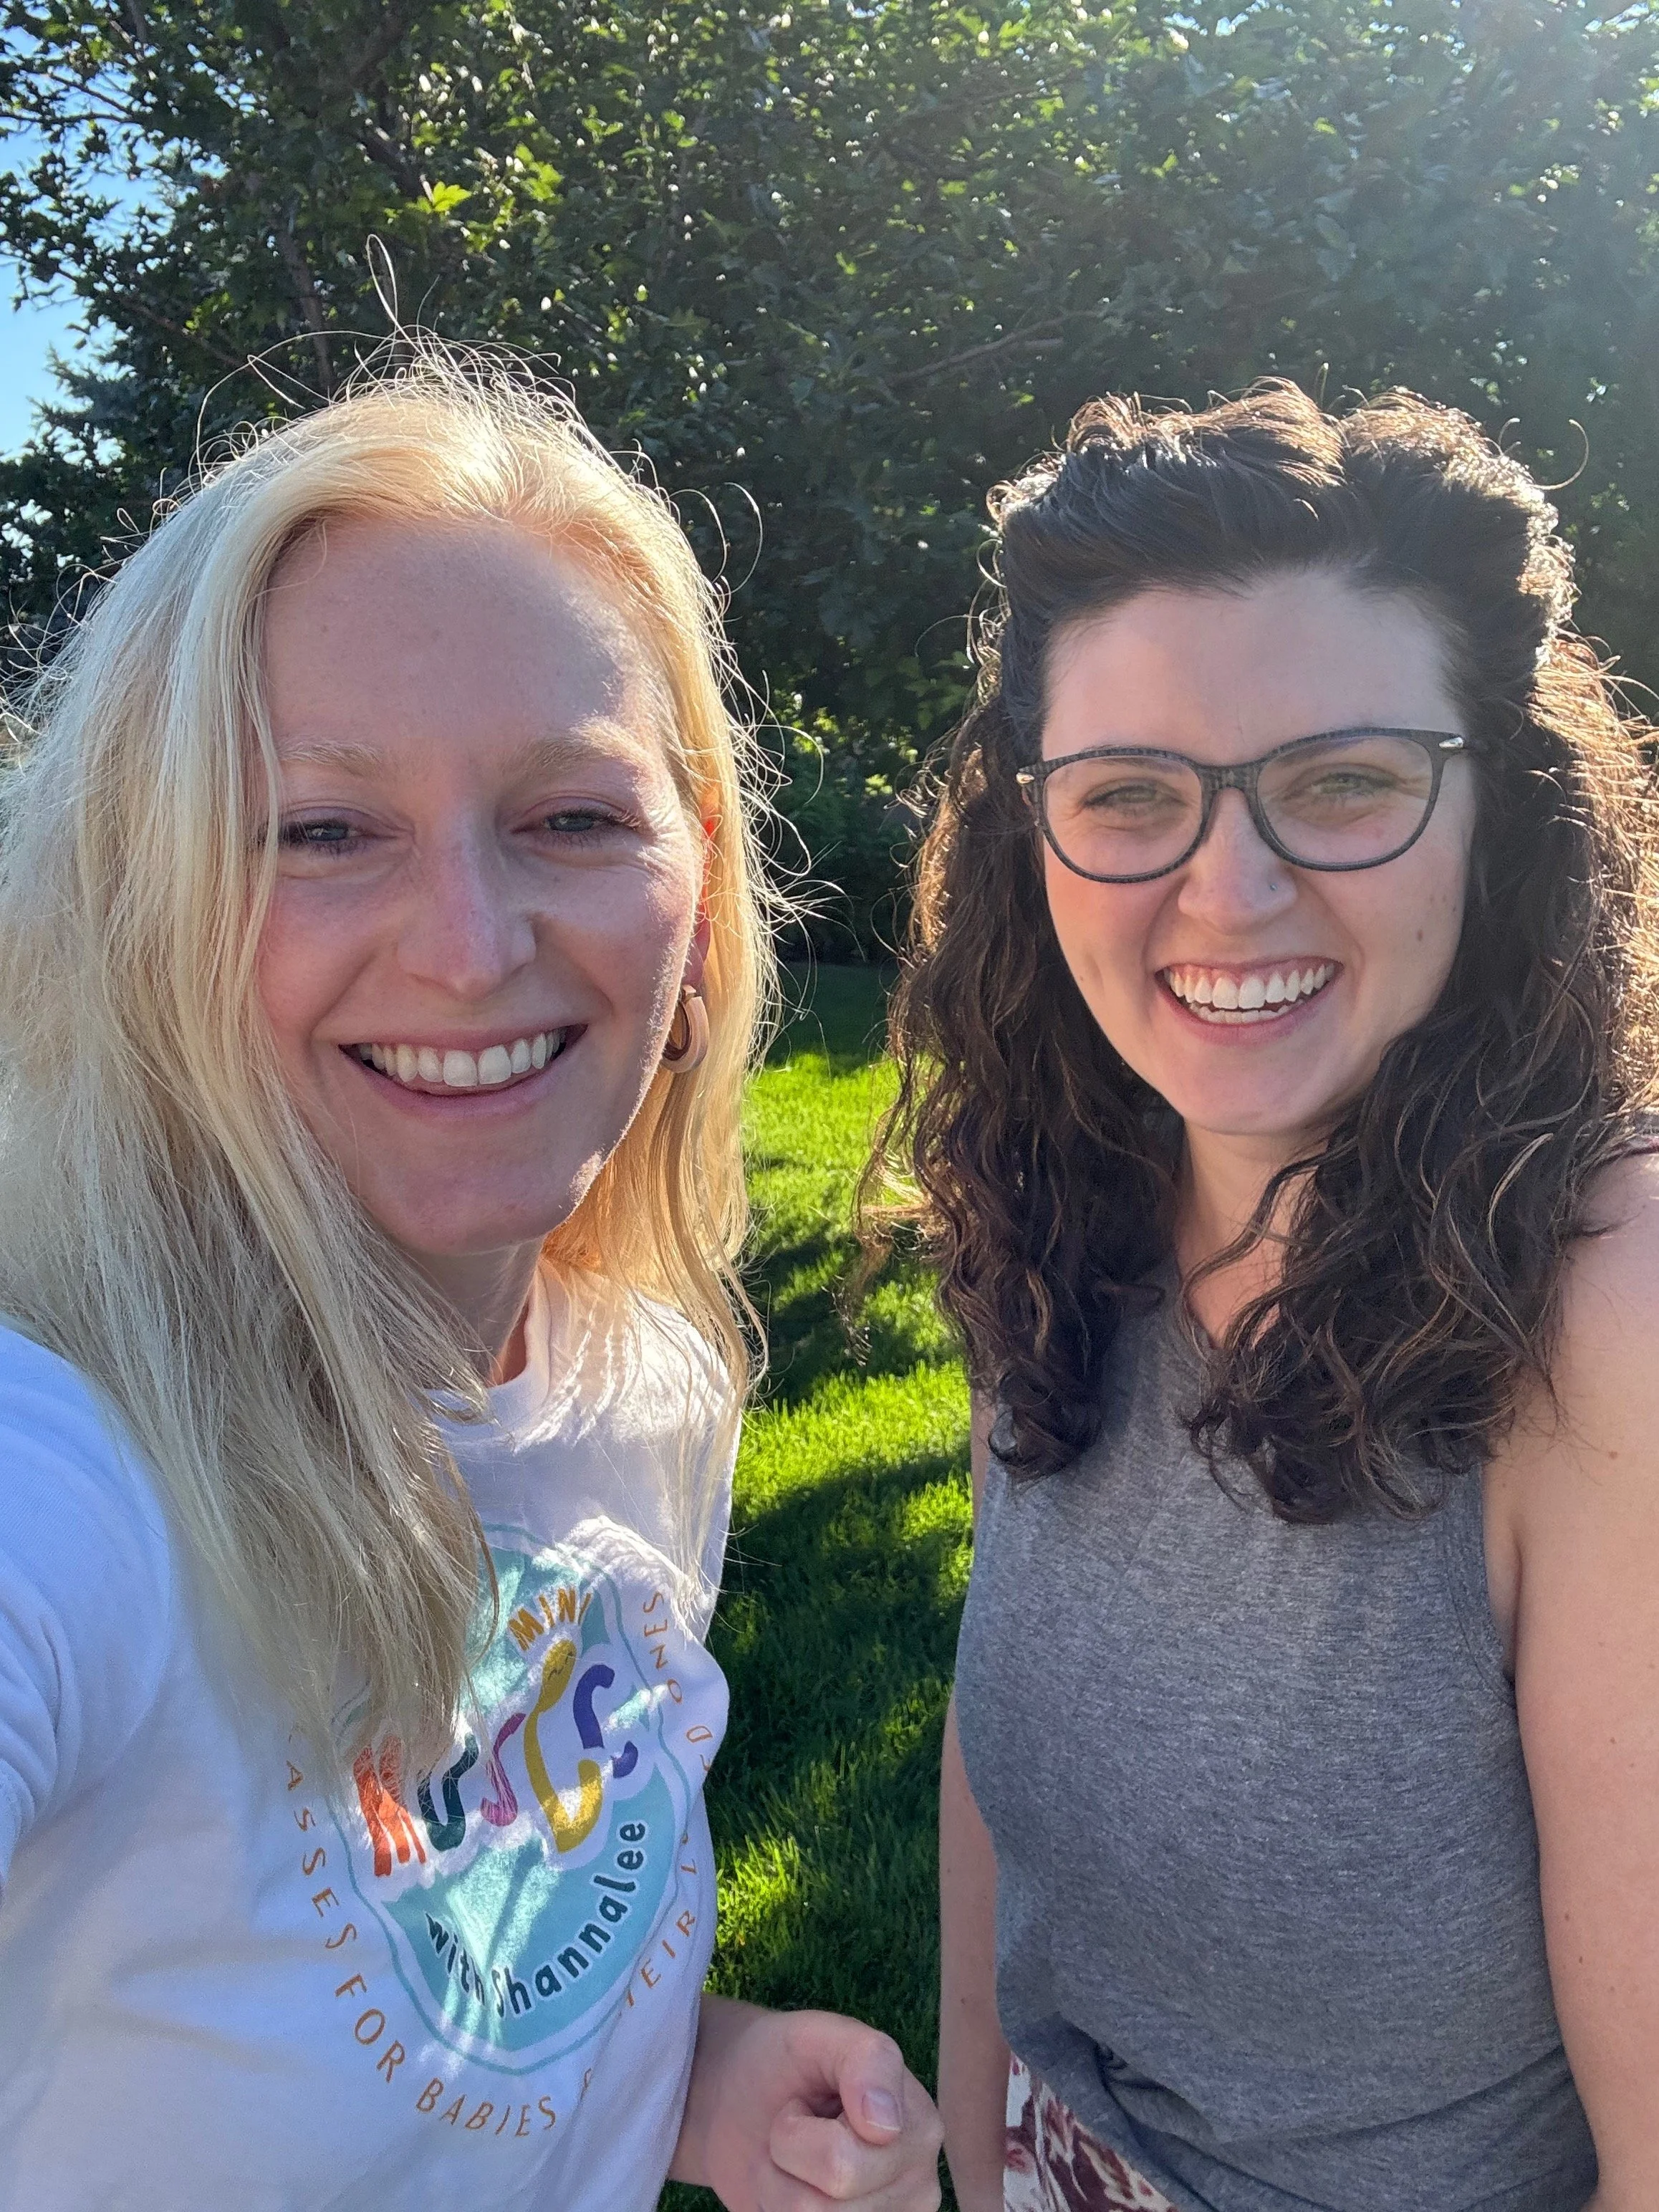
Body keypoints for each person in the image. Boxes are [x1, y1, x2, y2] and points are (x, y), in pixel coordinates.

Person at [0, 359, 943, 2212]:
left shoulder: (644, 1383)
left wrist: (690, 2079)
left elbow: (464, 1963)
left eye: (572, 818)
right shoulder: (71, 1477)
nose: (469, 946)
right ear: (145, 914)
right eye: (322, 831)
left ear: (699, 901)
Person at [868, 381, 1659, 2211]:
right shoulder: (1063, 1201)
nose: (1230, 891)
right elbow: (998, 1808)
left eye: (1346, 784)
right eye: (1129, 796)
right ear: (1030, 835)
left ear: (1500, 812)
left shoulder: (1600, 1304)